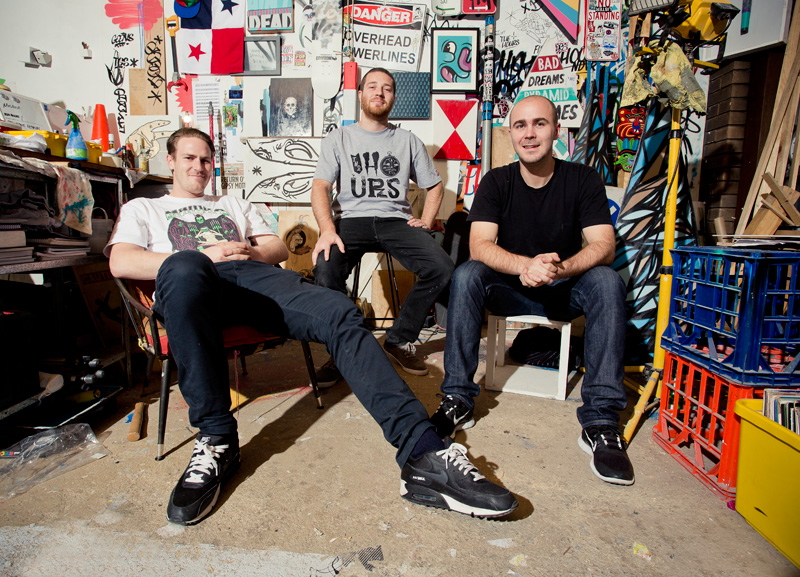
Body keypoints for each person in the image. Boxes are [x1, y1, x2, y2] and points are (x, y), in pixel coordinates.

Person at [106, 127, 517, 525]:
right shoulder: (144, 208)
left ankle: (423, 454)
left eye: (206, 159)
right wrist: (202, 256)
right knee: (185, 265)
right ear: (171, 161)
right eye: (189, 158)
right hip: (189, 286)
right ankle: (217, 439)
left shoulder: (232, 202)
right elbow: (120, 261)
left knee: (339, 309)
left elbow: (277, 247)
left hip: (251, 280)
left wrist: (248, 250)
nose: (199, 166)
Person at [429, 96, 635, 486]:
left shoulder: (583, 179)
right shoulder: (496, 181)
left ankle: (601, 422)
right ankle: (457, 398)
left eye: (539, 123)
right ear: (510, 133)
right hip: (511, 288)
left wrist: (559, 269)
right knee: (468, 274)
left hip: (564, 289)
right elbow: (480, 246)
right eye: (520, 125)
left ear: (556, 130)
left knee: (607, 281)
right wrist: (526, 266)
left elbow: (603, 246)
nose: (529, 134)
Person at [311, 67, 454, 384]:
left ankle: (399, 339)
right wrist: (327, 230)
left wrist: (425, 221)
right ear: (360, 94)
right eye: (372, 86)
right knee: (325, 269)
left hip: (395, 221)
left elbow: (434, 186)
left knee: (441, 266)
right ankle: (344, 349)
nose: (379, 92)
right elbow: (320, 186)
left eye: (387, 88)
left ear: (393, 98)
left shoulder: (407, 140)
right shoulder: (339, 138)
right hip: (350, 220)